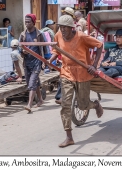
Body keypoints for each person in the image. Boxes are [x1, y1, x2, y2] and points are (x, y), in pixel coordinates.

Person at [46, 15, 104, 148]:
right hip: (67, 72)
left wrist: (94, 65)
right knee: (65, 105)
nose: (63, 30)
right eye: (61, 27)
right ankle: (69, 137)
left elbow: (99, 45)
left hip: (83, 73)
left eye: (65, 27)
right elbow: (56, 49)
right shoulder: (58, 35)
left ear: (72, 28)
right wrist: (51, 59)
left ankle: (95, 105)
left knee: (83, 105)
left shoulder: (81, 36)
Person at [19, 14, 47, 112]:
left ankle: (29, 105)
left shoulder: (39, 34)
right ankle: (40, 100)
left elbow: (45, 48)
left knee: (32, 82)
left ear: (33, 22)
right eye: (25, 22)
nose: (27, 24)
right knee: (34, 82)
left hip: (37, 62)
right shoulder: (23, 34)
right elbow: (20, 47)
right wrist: (22, 52)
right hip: (27, 62)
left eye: (29, 22)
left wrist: (46, 61)